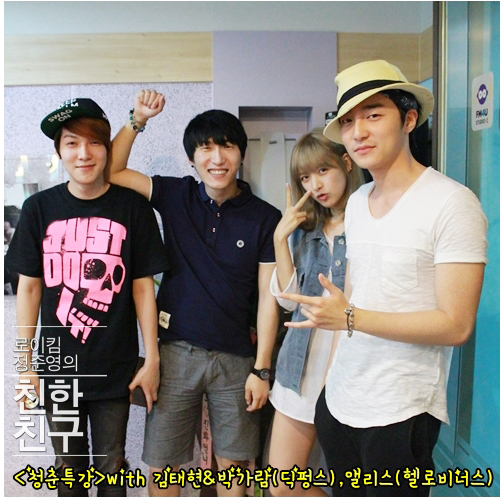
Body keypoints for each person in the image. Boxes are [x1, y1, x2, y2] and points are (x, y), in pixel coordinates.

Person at [280, 60, 488, 496]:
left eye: (373, 115)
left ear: (409, 120)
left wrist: (349, 317)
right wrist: (329, 387)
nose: (358, 132)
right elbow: (355, 293)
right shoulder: (357, 201)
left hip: (401, 409)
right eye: (348, 121)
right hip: (340, 402)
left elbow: (456, 325)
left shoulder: (452, 203)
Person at [109, 90, 281, 497]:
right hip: (175, 355)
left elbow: (268, 298)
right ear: (191, 157)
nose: (217, 158)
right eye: (206, 148)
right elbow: (112, 171)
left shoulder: (265, 218)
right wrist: (137, 119)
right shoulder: (176, 195)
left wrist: (262, 369)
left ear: (241, 154)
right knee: (163, 465)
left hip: (236, 361)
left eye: (227, 146)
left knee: (234, 468)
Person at [6, 98, 170, 497]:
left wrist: (152, 358)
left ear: (107, 149)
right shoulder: (38, 208)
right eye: (72, 143)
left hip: (114, 367)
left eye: (94, 142)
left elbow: (143, 288)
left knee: (112, 466)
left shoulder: (133, 208)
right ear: (59, 152)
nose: (84, 153)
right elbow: (29, 289)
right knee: (69, 468)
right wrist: (25, 365)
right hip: (58, 369)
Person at [268, 131, 362, 496]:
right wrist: (280, 238)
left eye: (323, 170)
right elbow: (288, 301)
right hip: (300, 370)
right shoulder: (305, 232)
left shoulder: (370, 224)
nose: (315, 185)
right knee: (282, 484)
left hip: (351, 373)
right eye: (305, 177)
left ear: (347, 163)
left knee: (354, 486)